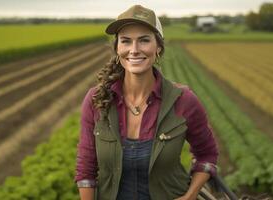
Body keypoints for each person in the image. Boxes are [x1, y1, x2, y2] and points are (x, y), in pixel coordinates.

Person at [75, 4, 219, 200]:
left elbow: (207, 154)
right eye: (126, 41)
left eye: (144, 40)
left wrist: (190, 196)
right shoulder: (97, 100)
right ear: (118, 48)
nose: (134, 50)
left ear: (158, 47)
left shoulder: (184, 101)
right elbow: (86, 166)